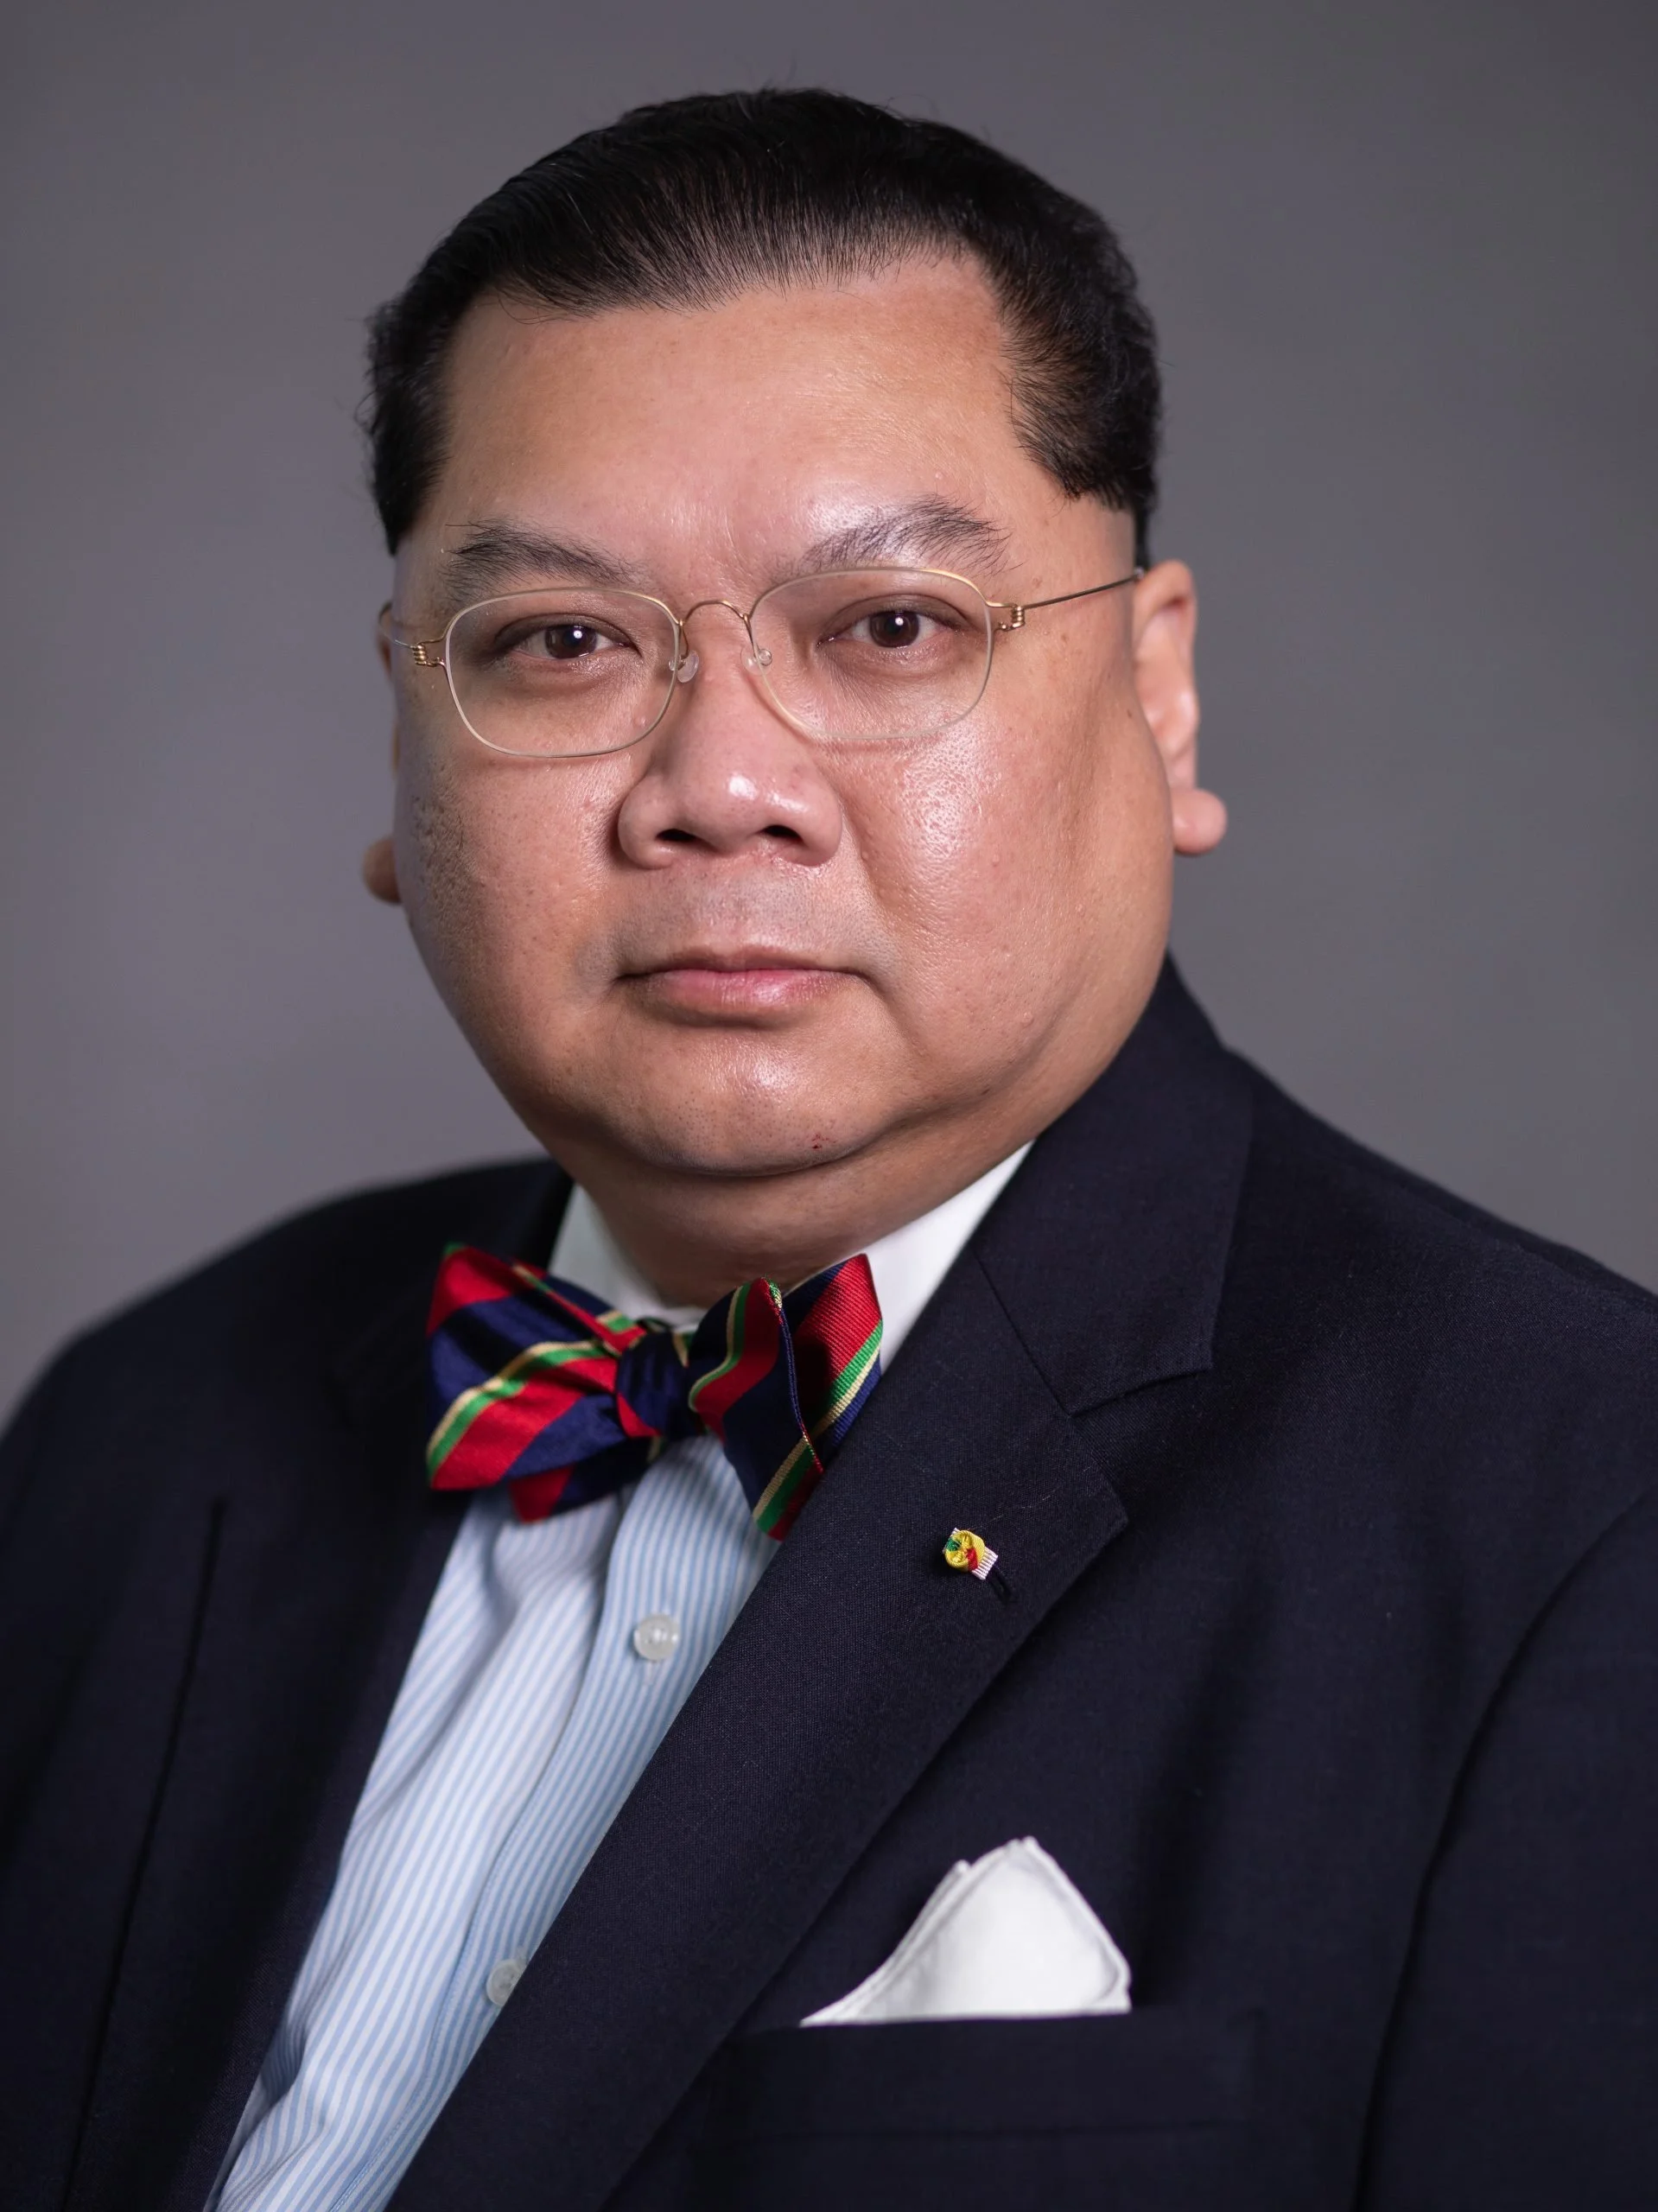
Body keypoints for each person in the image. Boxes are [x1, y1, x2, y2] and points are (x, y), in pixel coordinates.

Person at [1, 86, 1654, 2212]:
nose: (718, 784)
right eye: (561, 642)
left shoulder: (1578, 1520)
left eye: (886, 626)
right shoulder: (136, 1432)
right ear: (404, 733)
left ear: (1157, 698)